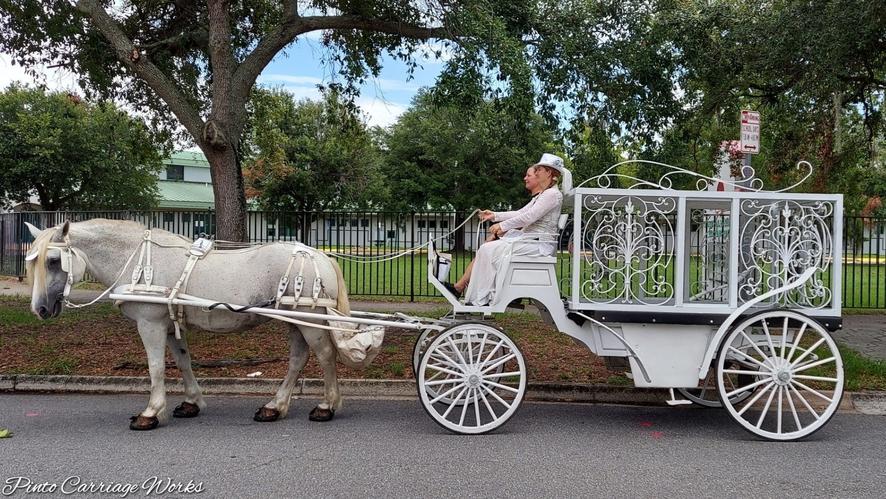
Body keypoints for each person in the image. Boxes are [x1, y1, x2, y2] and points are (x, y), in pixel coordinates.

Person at [443, 153, 567, 306]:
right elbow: (521, 213)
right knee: (486, 249)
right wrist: (494, 215)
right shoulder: (544, 194)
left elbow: (529, 217)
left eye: (539, 169)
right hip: (531, 241)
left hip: (538, 244)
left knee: (488, 250)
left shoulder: (552, 195)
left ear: (549, 172)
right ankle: (477, 297)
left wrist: (502, 226)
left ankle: (481, 299)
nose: (536, 172)